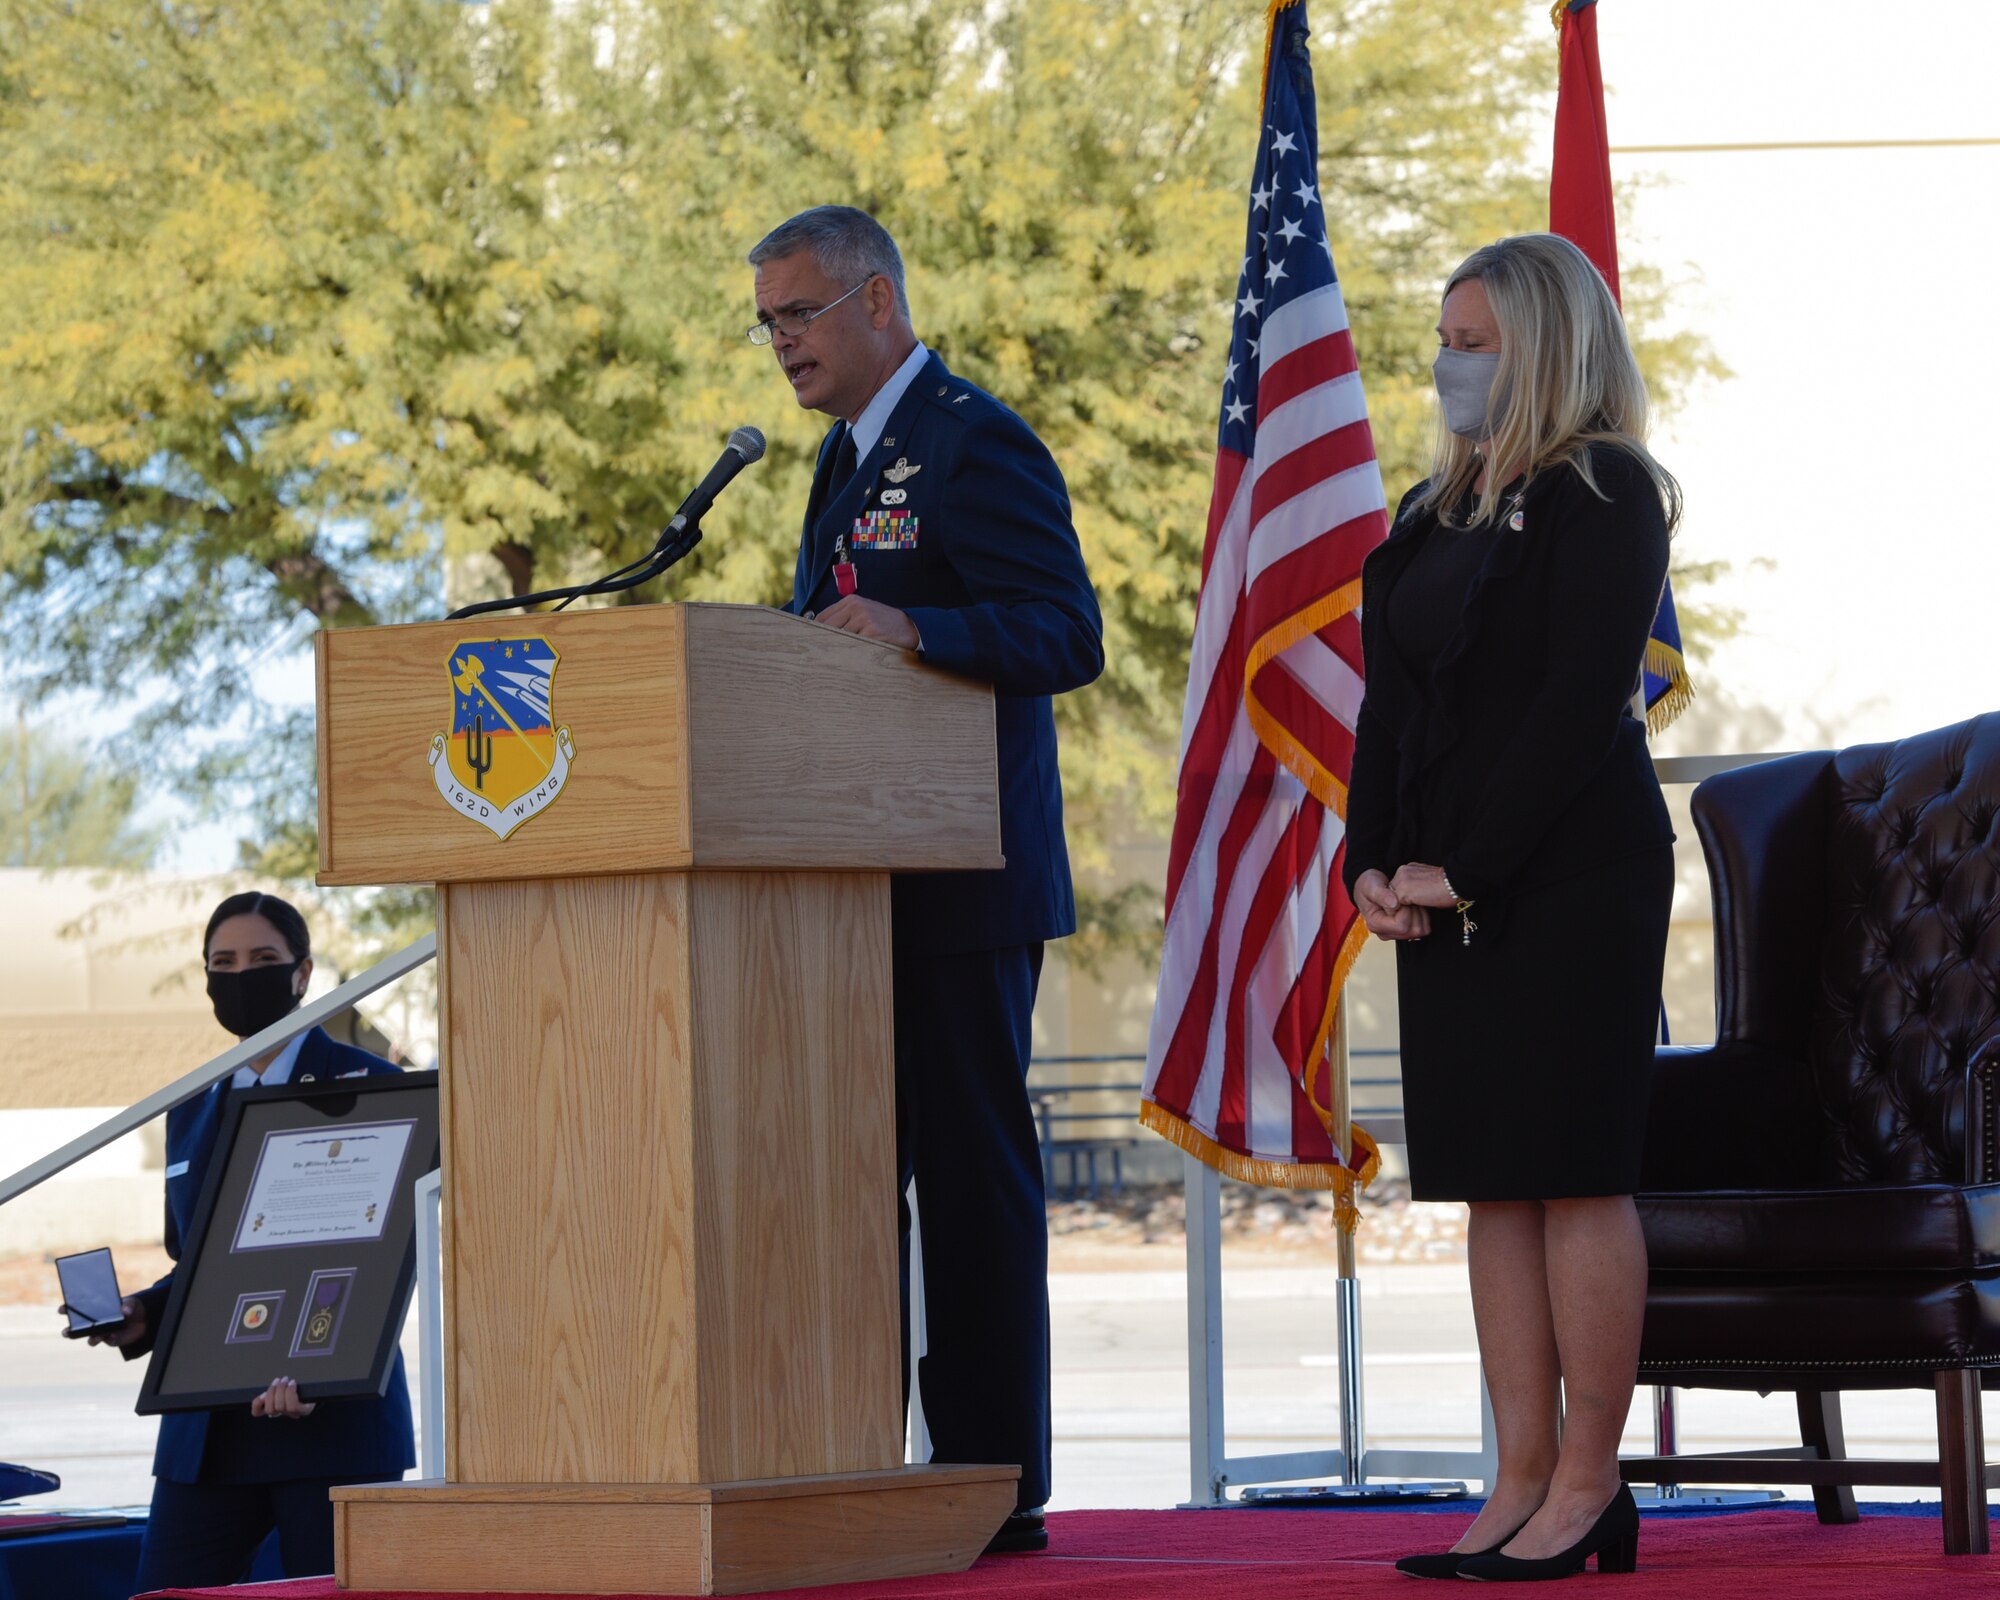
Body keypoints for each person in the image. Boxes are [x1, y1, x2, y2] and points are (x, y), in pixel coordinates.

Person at [746, 205, 1103, 1553]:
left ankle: (993, 1477)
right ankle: (859, 1455)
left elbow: (1066, 632)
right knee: (850, 1182)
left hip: (960, 885)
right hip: (851, 893)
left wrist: (920, 624)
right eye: (768, 321)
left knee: (968, 1185)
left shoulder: (970, 437)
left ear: (878, 300)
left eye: (801, 313)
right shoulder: (845, 458)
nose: (781, 341)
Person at [1341, 233, 1677, 1582]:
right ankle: (1519, 1480)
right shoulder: (1438, 513)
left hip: (1572, 873)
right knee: (1492, 1186)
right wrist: (1373, 858)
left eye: (1476, 341)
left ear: (1547, 347)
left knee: (1574, 1174)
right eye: (1447, 337)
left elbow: (1573, 707)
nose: (1450, 363)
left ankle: (1590, 1488)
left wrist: (1465, 865)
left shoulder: (1609, 491)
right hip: (1441, 890)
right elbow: (1395, 707)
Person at [82, 892, 414, 1589]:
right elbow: (203, 1261)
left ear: (303, 972)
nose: (241, 976)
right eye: (222, 963)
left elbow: (386, 1253)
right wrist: (145, 1313)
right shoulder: (190, 1105)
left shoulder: (374, 1088)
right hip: (207, 1432)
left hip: (331, 1425)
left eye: (264, 960)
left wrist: (324, 1365)